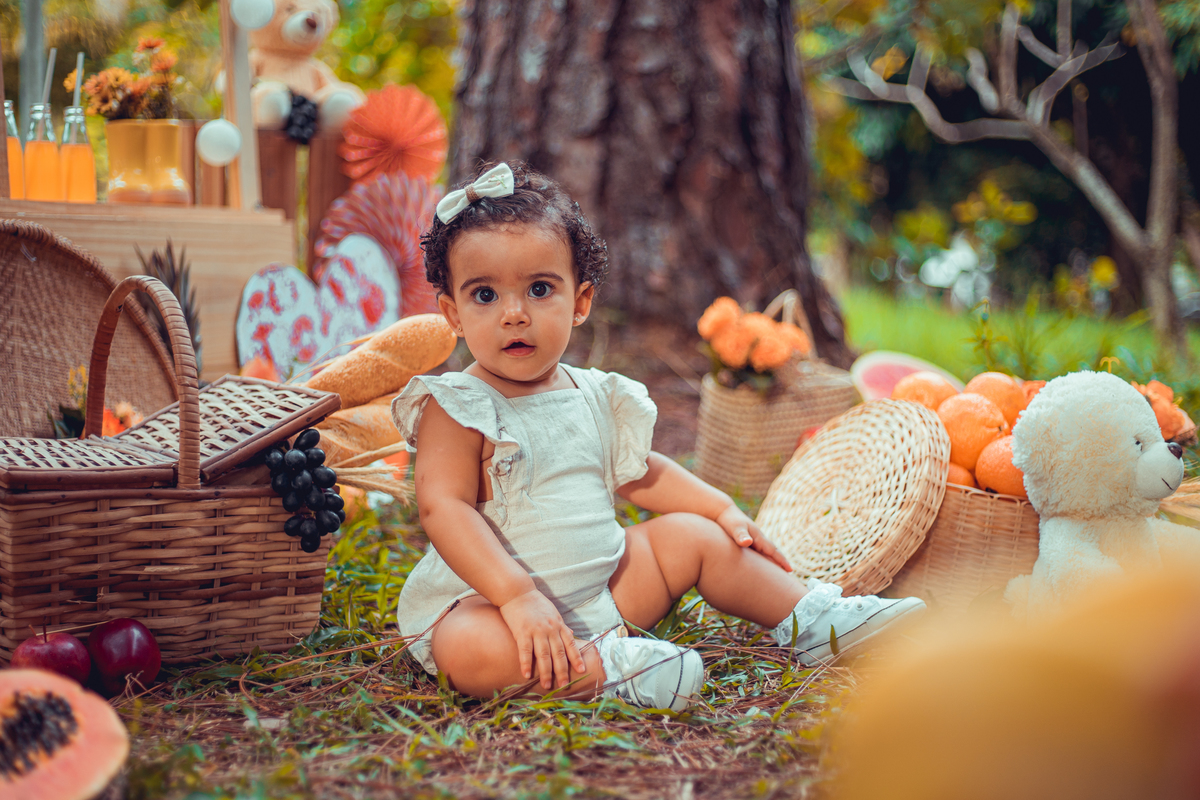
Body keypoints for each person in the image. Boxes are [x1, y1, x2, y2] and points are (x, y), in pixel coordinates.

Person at [391, 161, 925, 711]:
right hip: (494, 606)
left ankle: (809, 619)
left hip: (604, 594)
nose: (514, 314)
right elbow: (444, 508)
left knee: (692, 536)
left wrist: (721, 510)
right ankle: (607, 673)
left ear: (580, 302)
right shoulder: (459, 405)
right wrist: (517, 595)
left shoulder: (596, 394)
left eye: (539, 289)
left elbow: (642, 472)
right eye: (485, 296)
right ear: (452, 313)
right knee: (465, 648)